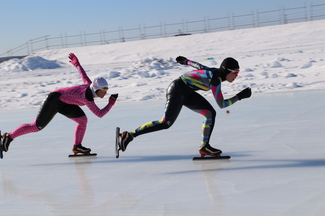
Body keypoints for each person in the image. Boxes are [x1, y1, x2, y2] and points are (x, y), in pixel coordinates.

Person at [119, 56, 251, 157]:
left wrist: (185, 61)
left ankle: (204, 146)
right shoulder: (215, 80)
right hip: (177, 89)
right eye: (236, 73)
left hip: (188, 92)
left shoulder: (215, 73)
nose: (236, 76)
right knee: (166, 123)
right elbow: (222, 104)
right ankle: (130, 135)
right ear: (227, 70)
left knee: (210, 113)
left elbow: (198, 65)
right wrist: (239, 96)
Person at [1, 53, 118, 156]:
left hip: (65, 102)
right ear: (96, 89)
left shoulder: (90, 86)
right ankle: (9, 137)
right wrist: (111, 103)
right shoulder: (86, 97)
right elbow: (100, 114)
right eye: (103, 90)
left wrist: (77, 64)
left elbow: (84, 76)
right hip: (53, 100)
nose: (105, 93)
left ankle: (77, 146)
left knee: (82, 120)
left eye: (106, 90)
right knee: (36, 126)